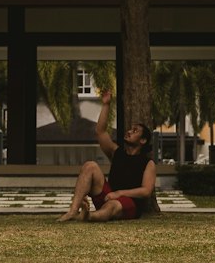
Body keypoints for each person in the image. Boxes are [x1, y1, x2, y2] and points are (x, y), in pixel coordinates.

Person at [58, 88, 156, 222]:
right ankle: (73, 211)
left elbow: (146, 191)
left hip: (128, 203)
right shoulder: (117, 152)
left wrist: (119, 193)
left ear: (143, 140)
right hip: (107, 195)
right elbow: (101, 132)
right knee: (90, 166)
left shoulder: (147, 163)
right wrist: (106, 104)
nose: (129, 131)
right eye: (130, 129)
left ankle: (88, 216)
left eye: (135, 131)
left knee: (112, 206)